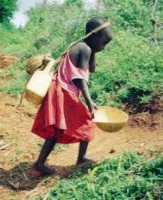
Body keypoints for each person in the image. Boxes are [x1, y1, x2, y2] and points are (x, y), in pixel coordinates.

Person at [31, 17, 112, 175]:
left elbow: (92, 69)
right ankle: (78, 158)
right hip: (63, 91)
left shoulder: (84, 47)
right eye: (104, 42)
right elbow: (80, 79)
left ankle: (41, 162)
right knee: (86, 120)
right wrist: (89, 102)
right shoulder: (84, 48)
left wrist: (95, 49)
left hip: (61, 89)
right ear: (94, 36)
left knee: (57, 128)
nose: (104, 47)